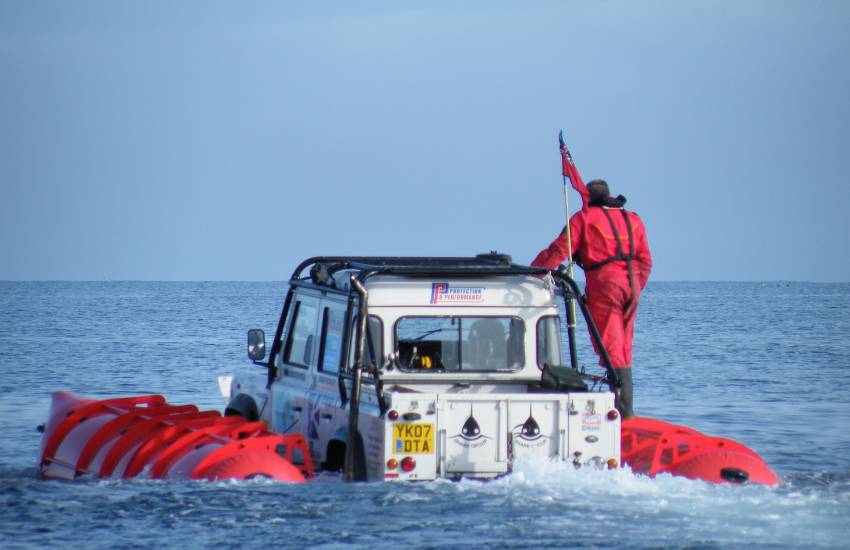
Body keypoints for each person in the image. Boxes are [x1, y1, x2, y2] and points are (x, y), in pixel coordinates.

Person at [532, 179, 652, 418]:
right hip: (632, 286)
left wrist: (533, 272)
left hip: (605, 286)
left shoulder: (584, 219)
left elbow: (559, 251)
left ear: (588, 197)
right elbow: (646, 261)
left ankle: (623, 412)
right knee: (625, 347)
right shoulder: (634, 220)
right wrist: (636, 287)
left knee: (611, 347)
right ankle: (627, 409)